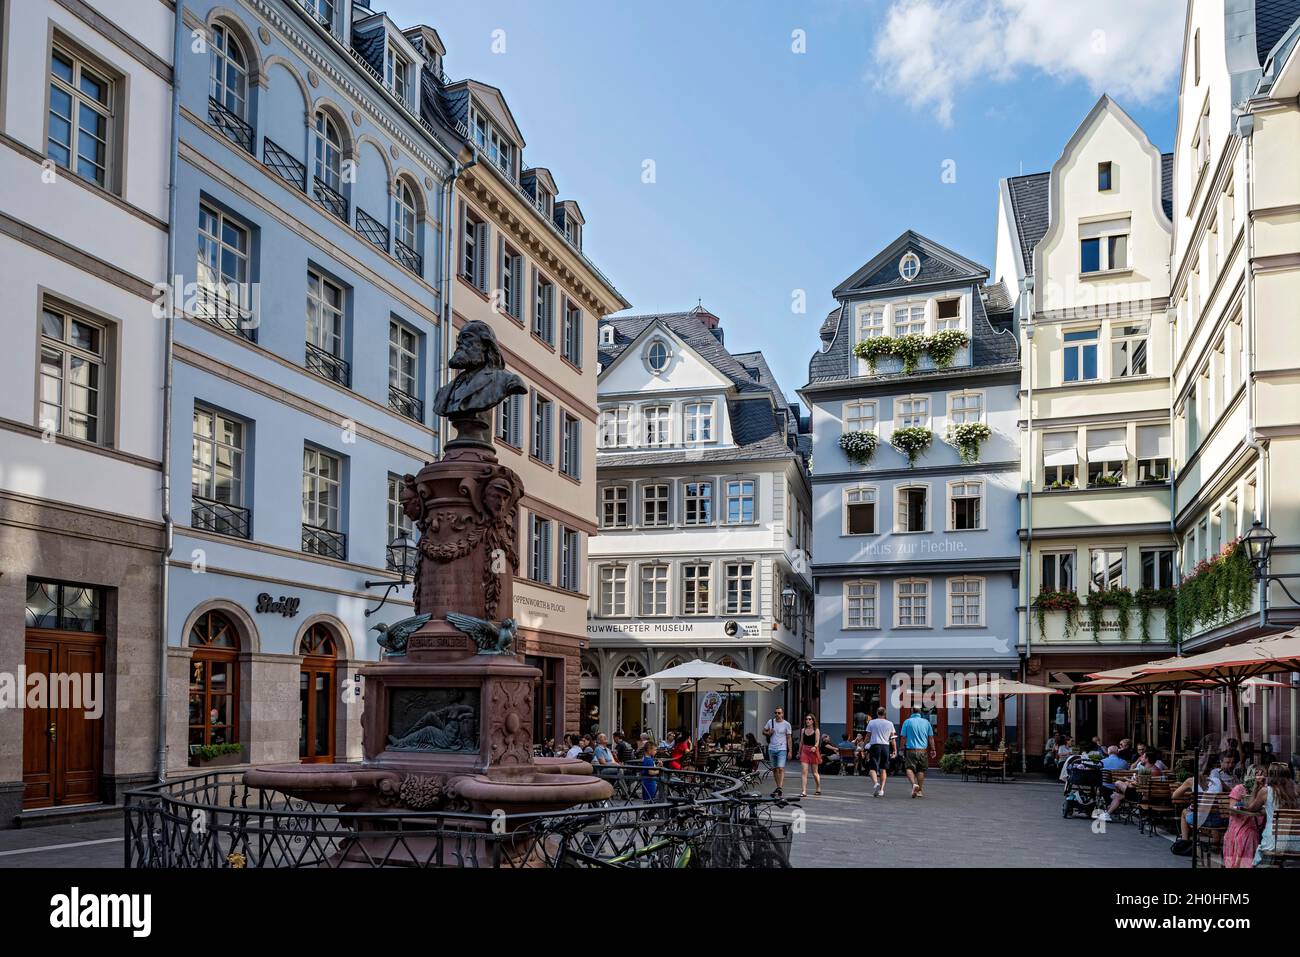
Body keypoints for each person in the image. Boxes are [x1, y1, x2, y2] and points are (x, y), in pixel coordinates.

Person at [1171, 750, 1238, 852]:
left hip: (1200, 821)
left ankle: (1185, 841)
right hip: (1219, 821)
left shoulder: (1191, 781)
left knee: (1184, 812)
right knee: (1213, 810)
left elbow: (1174, 796)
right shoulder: (1219, 781)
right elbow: (1233, 793)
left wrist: (1190, 795)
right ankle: (1216, 842)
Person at [1248, 762, 1300, 866]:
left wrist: (1255, 787)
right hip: (1296, 843)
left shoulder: (1266, 791)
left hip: (1274, 843)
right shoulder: (1296, 790)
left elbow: (1251, 808)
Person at [1223, 764, 1265, 868]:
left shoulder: (1265, 791)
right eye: (1256, 774)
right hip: (1238, 825)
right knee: (1247, 835)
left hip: (1259, 826)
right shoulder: (1240, 789)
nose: (1259, 777)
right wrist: (1242, 806)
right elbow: (1232, 812)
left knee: (1250, 833)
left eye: (1262, 775)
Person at [900, 710, 937, 798]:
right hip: (922, 751)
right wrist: (933, 749)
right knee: (921, 770)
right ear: (920, 713)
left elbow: (903, 737)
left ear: (912, 712)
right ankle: (919, 791)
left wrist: (901, 748)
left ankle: (914, 784)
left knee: (909, 768)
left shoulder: (907, 721)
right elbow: (931, 738)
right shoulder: (926, 722)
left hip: (911, 750)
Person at [865, 707, 897, 798]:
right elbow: (893, 739)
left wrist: (864, 745)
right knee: (883, 769)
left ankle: (876, 783)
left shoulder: (872, 722)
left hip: (875, 746)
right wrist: (894, 750)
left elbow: (868, 736)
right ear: (885, 714)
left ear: (877, 713)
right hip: (885, 747)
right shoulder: (890, 723)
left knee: (872, 768)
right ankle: (882, 790)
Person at [763, 707, 794, 797]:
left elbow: (789, 738)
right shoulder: (770, 722)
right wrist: (768, 733)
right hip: (772, 748)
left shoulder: (786, 724)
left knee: (781, 768)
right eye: (776, 712)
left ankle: (780, 787)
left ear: (782, 714)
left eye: (779, 713)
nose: (777, 714)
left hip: (782, 748)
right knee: (775, 769)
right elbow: (763, 731)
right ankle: (778, 787)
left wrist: (790, 751)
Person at [797, 714, 822, 798]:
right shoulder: (803, 730)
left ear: (813, 721)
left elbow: (817, 741)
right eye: (806, 719)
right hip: (805, 750)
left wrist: (815, 747)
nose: (808, 721)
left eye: (810, 719)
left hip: (813, 751)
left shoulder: (816, 730)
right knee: (804, 772)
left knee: (815, 773)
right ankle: (804, 791)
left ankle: (818, 787)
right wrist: (799, 752)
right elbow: (801, 742)